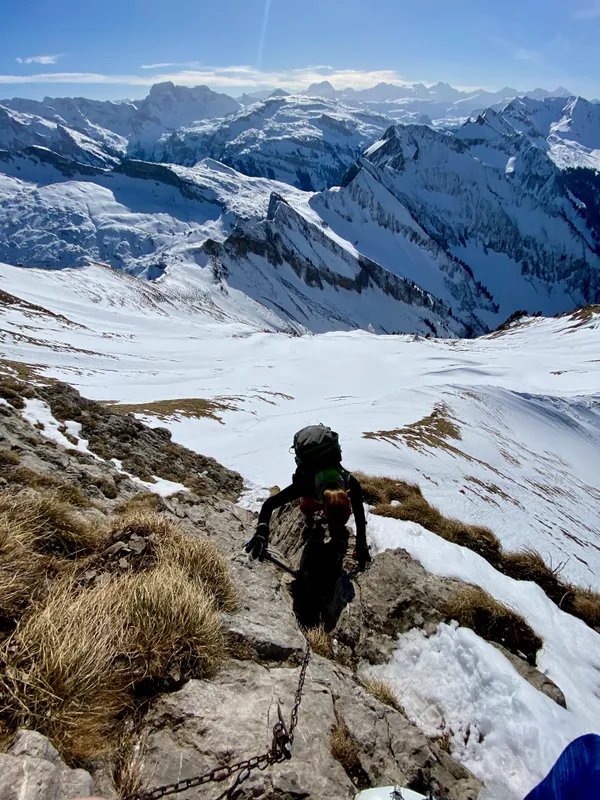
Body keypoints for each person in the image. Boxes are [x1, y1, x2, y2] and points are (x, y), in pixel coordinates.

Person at [245, 424, 371, 570]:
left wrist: (361, 543)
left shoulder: (349, 482)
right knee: (306, 506)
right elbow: (268, 505)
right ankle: (311, 520)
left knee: (312, 509)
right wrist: (261, 532)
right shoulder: (307, 485)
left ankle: (318, 526)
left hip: (318, 496)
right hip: (312, 494)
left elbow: (270, 505)